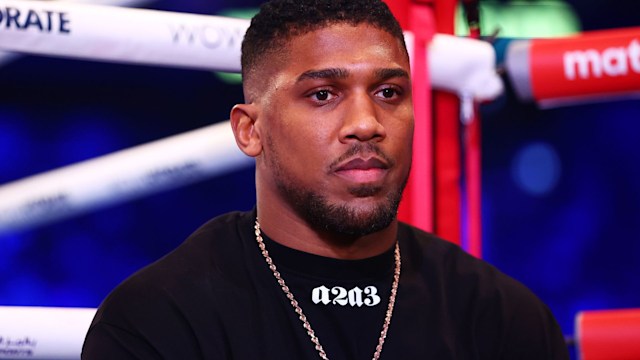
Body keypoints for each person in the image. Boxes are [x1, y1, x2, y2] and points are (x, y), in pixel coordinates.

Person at [82, 0, 570, 359]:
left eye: (387, 91)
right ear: (250, 130)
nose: (366, 122)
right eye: (322, 94)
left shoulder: (503, 318)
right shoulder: (158, 320)